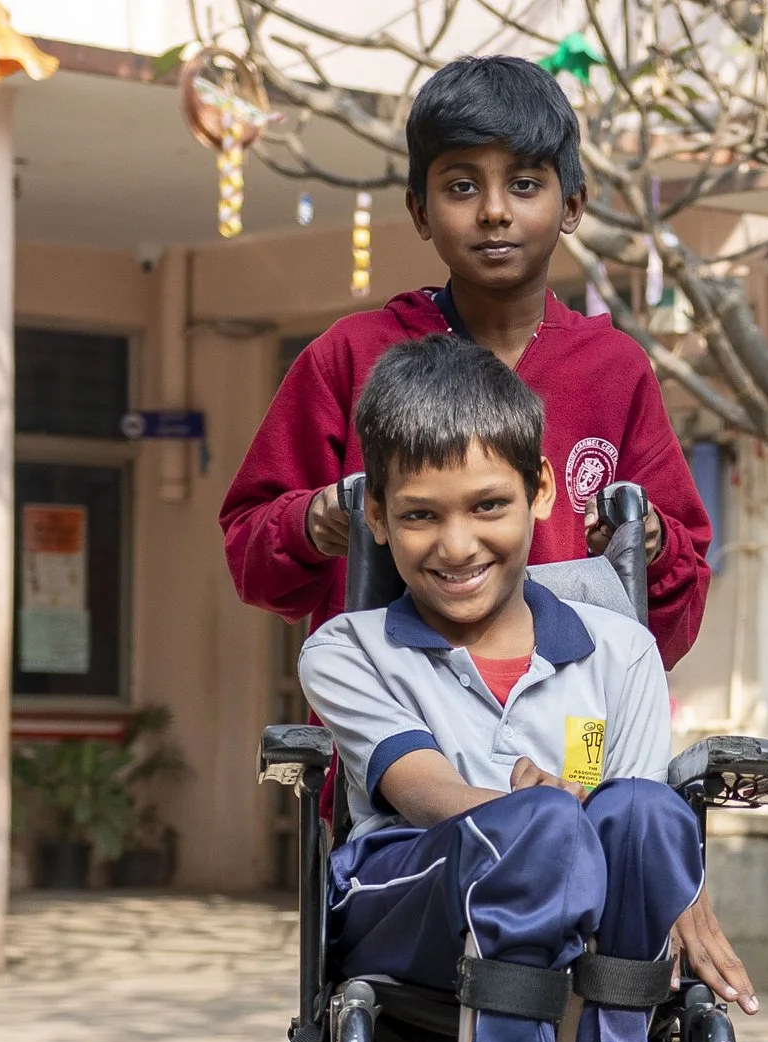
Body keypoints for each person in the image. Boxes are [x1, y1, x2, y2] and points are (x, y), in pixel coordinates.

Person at [298, 334, 755, 1042]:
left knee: (646, 816)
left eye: (488, 506)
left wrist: (674, 880)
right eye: (417, 517)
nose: (455, 544)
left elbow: (634, 812)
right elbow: (414, 785)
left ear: (543, 492)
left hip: (576, 907)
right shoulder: (350, 647)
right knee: (546, 825)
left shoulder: (616, 651)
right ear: (380, 519)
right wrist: (520, 809)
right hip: (413, 895)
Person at [222, 54, 714, 669]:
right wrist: (310, 522)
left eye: (525, 184)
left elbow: (676, 612)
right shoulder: (349, 357)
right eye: (461, 186)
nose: (494, 211)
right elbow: (253, 561)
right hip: (388, 725)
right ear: (420, 211)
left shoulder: (615, 370)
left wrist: (653, 545)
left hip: (570, 734)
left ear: (573, 205)